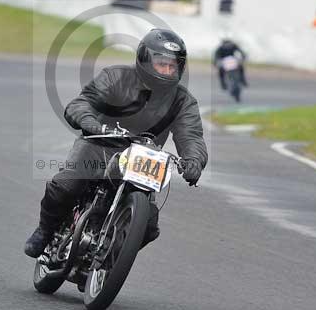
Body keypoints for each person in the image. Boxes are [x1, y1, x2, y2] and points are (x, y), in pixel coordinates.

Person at [24, 28, 209, 258]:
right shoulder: (115, 77)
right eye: (162, 64)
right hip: (99, 145)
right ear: (145, 59)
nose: (168, 70)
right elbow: (81, 103)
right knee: (66, 185)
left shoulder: (183, 101)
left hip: (142, 159)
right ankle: (45, 231)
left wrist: (194, 161)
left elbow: (191, 136)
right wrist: (91, 124)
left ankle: (108, 260)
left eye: (173, 66)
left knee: (149, 225)